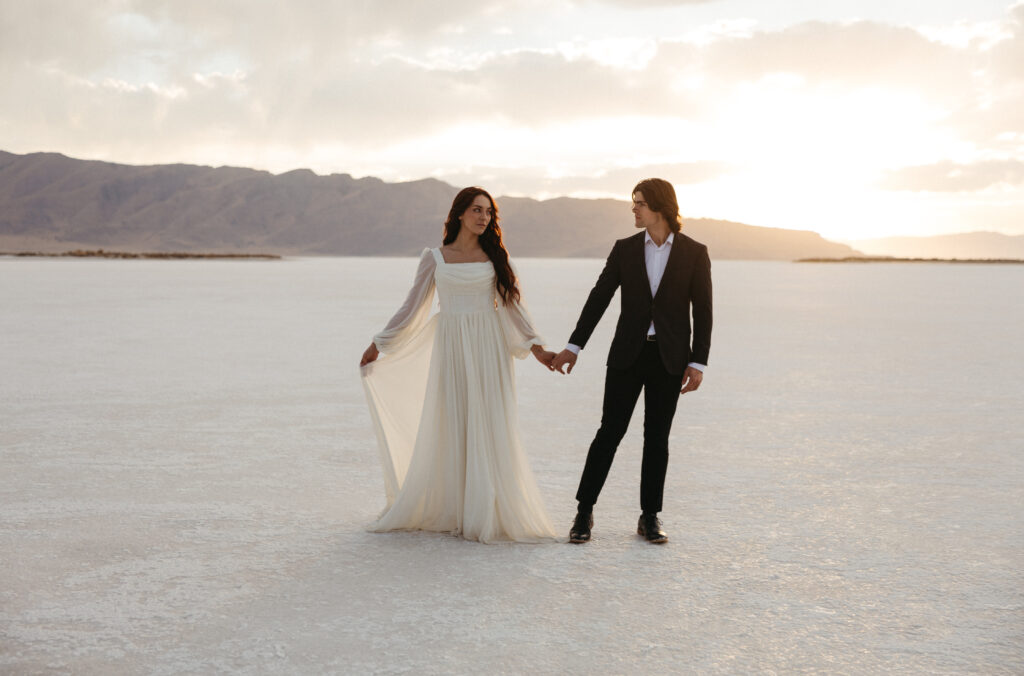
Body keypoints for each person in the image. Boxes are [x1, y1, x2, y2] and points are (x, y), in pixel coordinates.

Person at [359, 186, 559, 543]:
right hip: (452, 346)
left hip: (488, 347)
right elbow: (412, 306)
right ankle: (456, 507)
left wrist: (538, 349)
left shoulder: (496, 259)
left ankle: (487, 508)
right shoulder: (435, 258)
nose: (484, 218)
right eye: (477, 210)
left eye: (488, 213)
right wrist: (380, 342)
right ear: (460, 214)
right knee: (454, 419)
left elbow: (514, 307)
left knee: (490, 420)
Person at [551, 178, 713, 544]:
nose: (634, 209)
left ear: (659, 206)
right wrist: (574, 347)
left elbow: (703, 311)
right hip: (627, 354)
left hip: (669, 359)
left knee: (657, 438)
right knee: (609, 433)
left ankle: (649, 516)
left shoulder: (694, 252)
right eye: (633, 203)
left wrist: (698, 362)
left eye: (639, 203)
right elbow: (599, 298)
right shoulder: (624, 249)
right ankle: (584, 511)